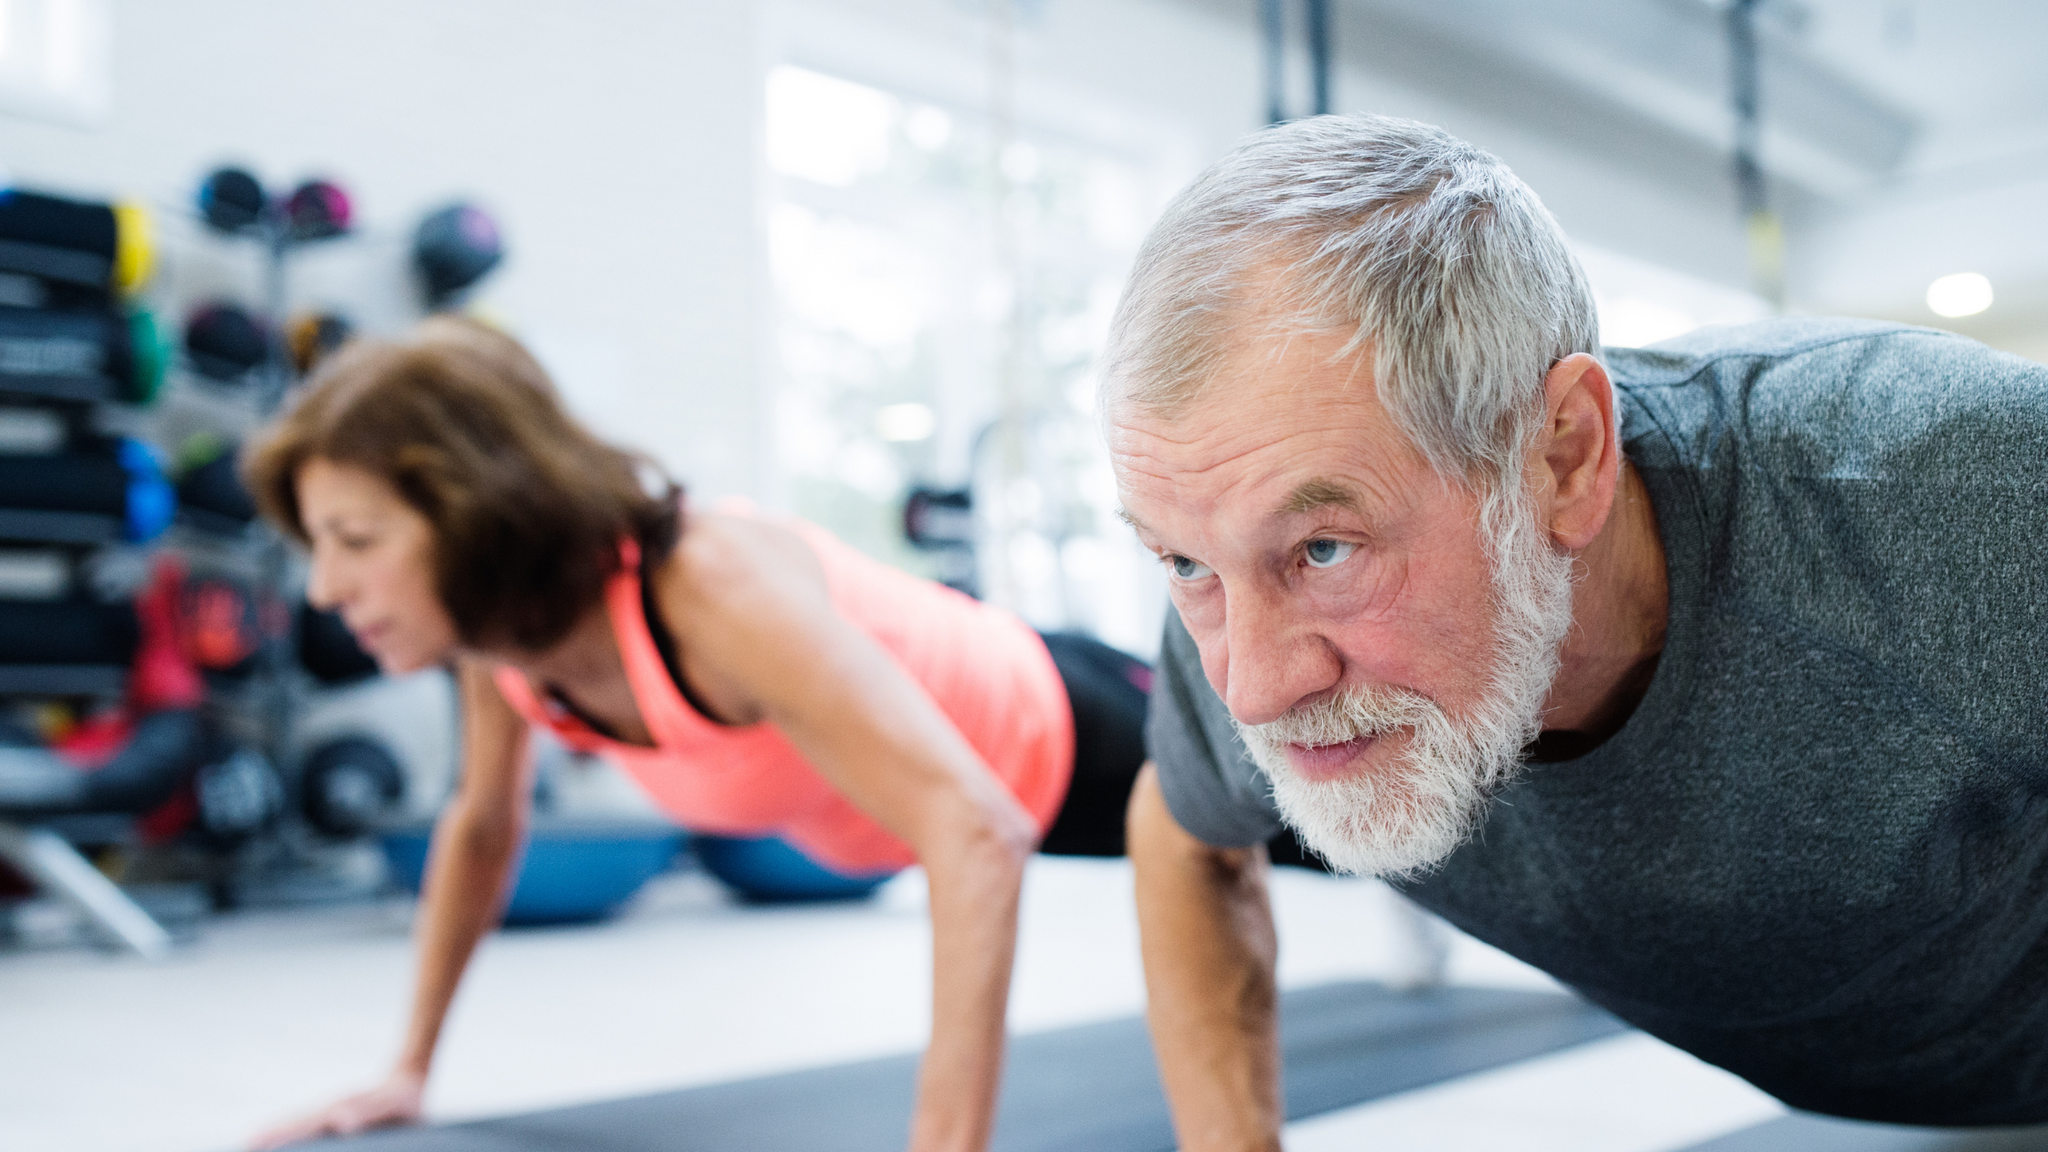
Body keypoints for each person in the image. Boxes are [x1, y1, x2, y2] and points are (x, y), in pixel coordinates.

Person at [1105, 113, 2048, 1148]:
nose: (1250, 689)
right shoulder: (1247, 592)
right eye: (1185, 563)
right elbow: (1181, 830)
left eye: (1325, 549)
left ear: (1561, 458)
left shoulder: (1960, 492)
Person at [240, 318, 1152, 1152]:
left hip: (1075, 726)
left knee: (1287, 840)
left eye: (355, 540)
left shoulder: (705, 590)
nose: (323, 589)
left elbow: (977, 828)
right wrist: (408, 1070)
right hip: (976, 799)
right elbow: (482, 826)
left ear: (472, 513)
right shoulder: (501, 640)